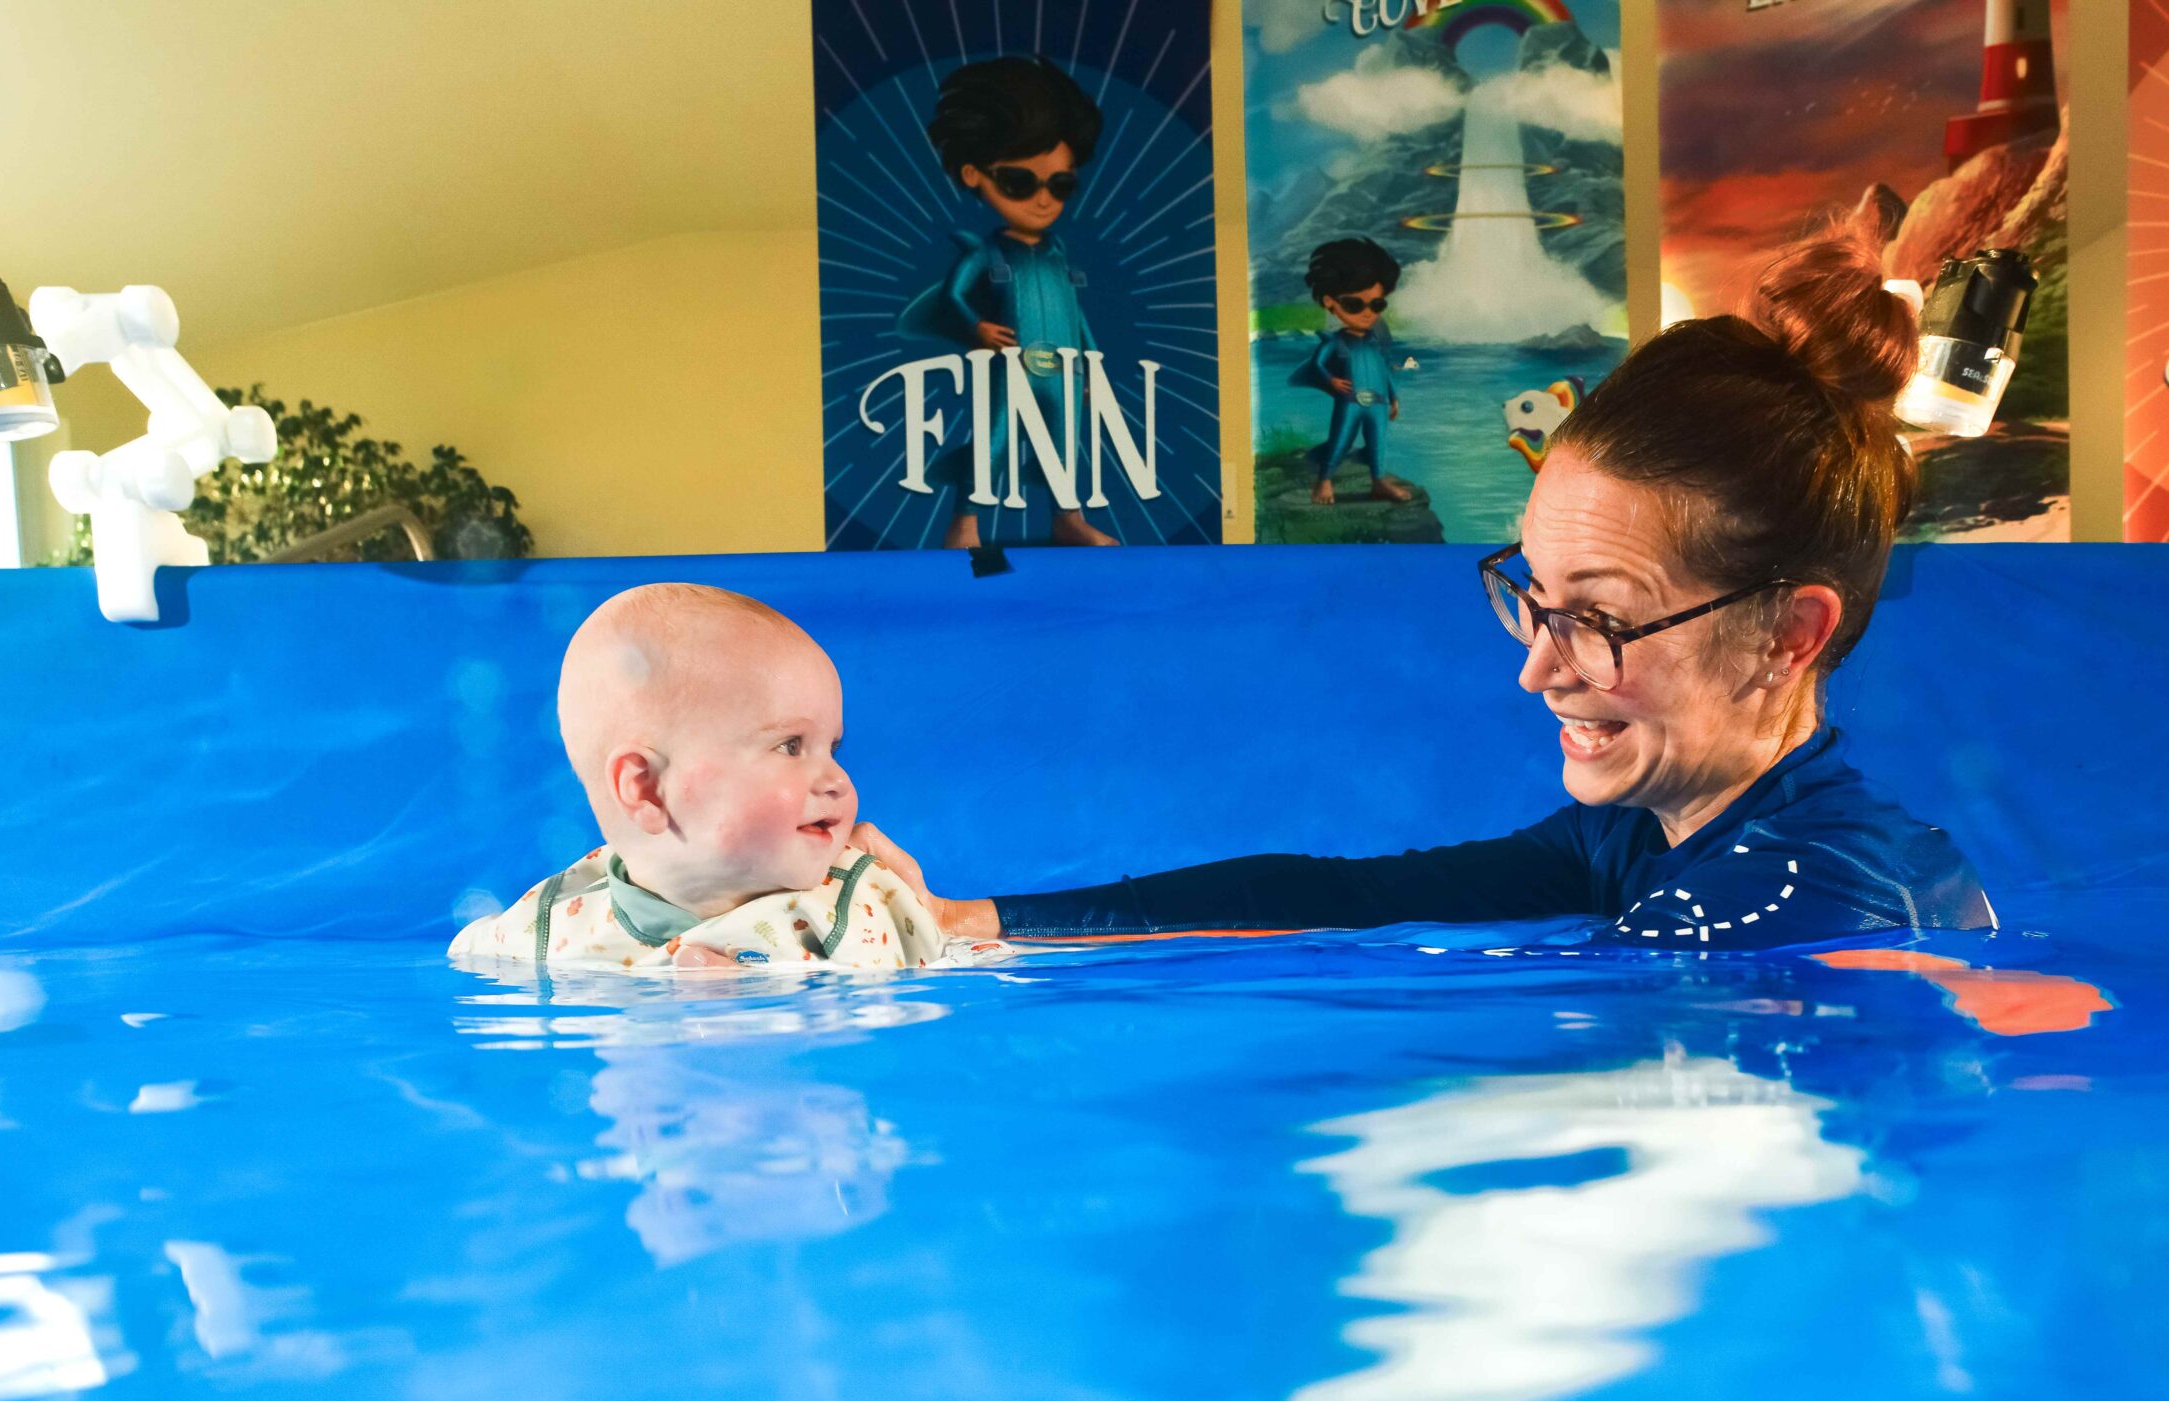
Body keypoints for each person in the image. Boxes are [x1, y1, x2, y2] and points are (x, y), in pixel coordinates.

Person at [853, 231, 1995, 952]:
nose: (1537, 665)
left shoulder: (1813, 906)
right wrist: (965, 923)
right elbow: (1353, 896)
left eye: (1596, 619)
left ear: (1786, 636)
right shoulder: (1661, 835)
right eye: (1535, 597)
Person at [452, 584, 947, 970]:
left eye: (832, 748)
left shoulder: (857, 907)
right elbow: (466, 952)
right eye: (790, 745)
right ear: (646, 790)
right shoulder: (551, 926)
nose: (837, 779)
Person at [898, 56, 1118, 549]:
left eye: (1060, 184)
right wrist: (976, 328)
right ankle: (965, 525)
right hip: (1013, 369)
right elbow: (954, 295)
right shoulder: (989, 254)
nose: (1043, 199)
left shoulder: (1057, 255)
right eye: (1020, 182)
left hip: (1065, 370)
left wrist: (1090, 363)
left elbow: (1075, 314)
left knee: (1065, 445)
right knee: (994, 444)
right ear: (975, 174)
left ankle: (1068, 518)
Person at [1292, 237, 1412, 506]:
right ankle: (1324, 481)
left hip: (1378, 403)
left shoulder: (1374, 341)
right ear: (1329, 302)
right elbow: (1317, 364)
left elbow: (1383, 370)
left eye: (1377, 305)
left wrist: (1393, 397)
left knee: (1378, 443)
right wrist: (1331, 380)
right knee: (1340, 440)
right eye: (1354, 305)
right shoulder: (1336, 342)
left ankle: (1378, 481)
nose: (1368, 313)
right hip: (1351, 402)